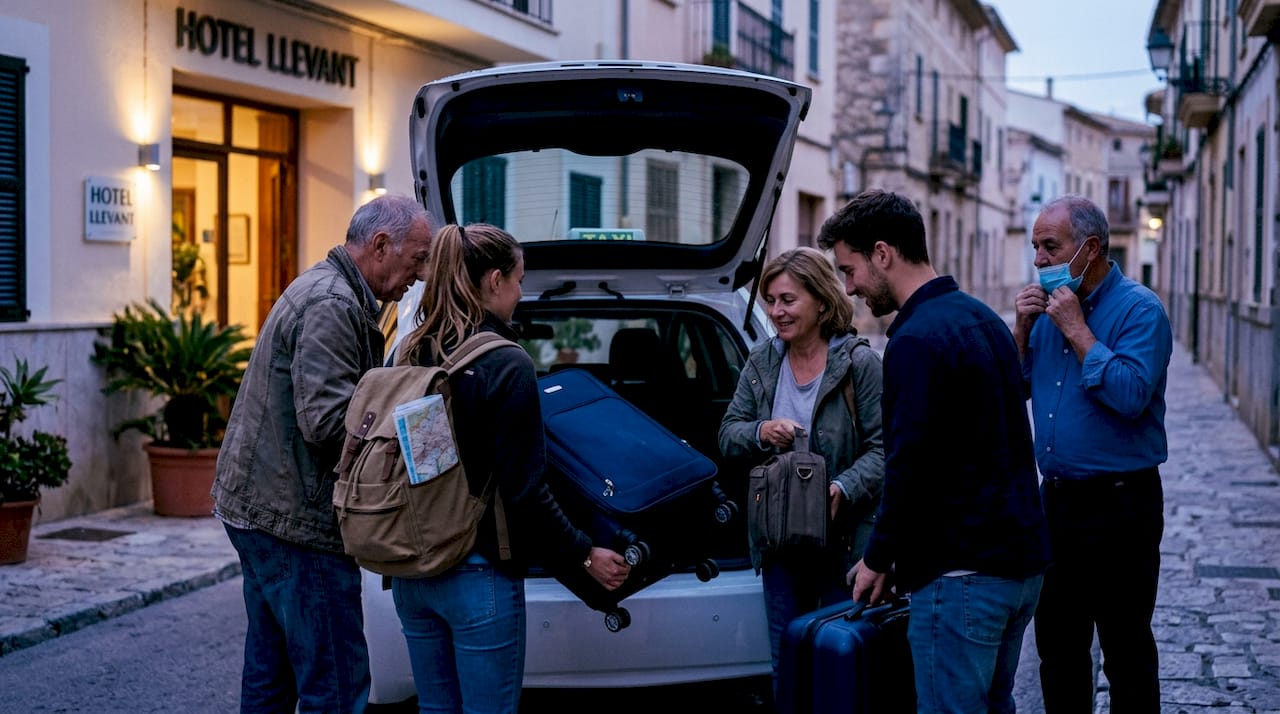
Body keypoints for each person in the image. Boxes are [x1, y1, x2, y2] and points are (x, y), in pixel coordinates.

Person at [824, 189, 1051, 713]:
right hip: (1020, 570)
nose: (850, 286)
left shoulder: (915, 339)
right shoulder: (983, 318)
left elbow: (908, 466)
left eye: (849, 269)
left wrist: (877, 557)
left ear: (883, 254)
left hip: (962, 579)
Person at [392, 223, 631, 714]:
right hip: (477, 573)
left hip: (412, 571)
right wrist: (585, 554)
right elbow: (525, 491)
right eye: (520, 280)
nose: (522, 293)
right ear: (495, 280)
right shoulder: (506, 363)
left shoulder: (411, 350)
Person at [211, 193, 435, 714]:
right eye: (416, 259)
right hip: (295, 522)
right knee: (333, 682)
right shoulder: (333, 304)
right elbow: (330, 424)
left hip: (260, 507)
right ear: (381, 245)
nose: (419, 275)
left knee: (273, 674)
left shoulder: (329, 287)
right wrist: (416, 429)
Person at [1014, 195, 1172, 713]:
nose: (1039, 259)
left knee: (1125, 647)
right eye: (1035, 246)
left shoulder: (1140, 310)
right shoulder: (1044, 313)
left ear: (1090, 249)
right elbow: (1014, 392)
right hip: (1056, 502)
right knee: (1057, 647)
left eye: (1050, 246)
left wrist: (1078, 330)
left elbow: (1130, 395)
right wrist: (1021, 332)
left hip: (1122, 504)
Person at [718, 246, 885, 692]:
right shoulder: (763, 361)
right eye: (770, 301)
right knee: (787, 663)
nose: (776, 312)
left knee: (839, 665)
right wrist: (761, 431)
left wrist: (842, 488)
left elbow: (884, 450)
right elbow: (728, 432)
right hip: (779, 543)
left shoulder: (858, 364)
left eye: (787, 300)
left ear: (821, 299)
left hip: (844, 544)